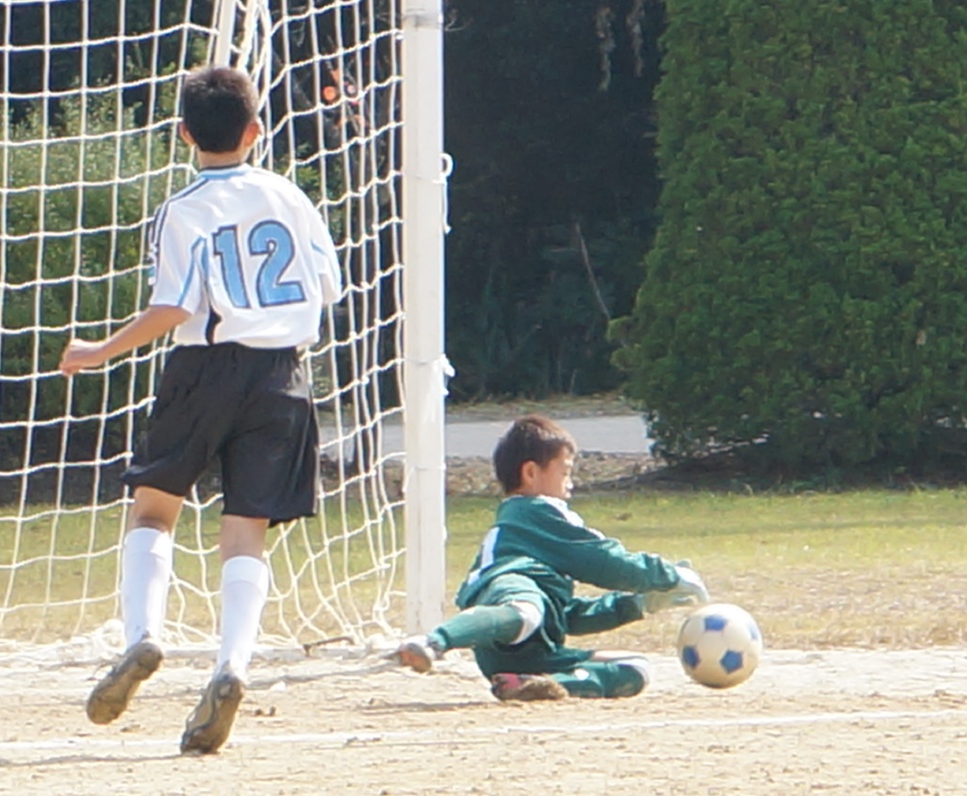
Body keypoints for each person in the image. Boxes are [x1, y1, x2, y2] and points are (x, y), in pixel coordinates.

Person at [60, 65, 342, 755]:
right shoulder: (291, 197)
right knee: (247, 531)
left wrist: (100, 349)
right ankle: (232, 666)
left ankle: (143, 637)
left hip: (205, 367)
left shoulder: (184, 208)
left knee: (154, 510)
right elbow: (327, 285)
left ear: (184, 134)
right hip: (283, 375)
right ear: (256, 131)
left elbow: (174, 306)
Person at [392, 415, 709, 701]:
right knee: (525, 609)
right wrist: (667, 575)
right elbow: (602, 560)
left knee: (634, 667)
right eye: (565, 472)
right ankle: (435, 642)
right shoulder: (534, 512)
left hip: (529, 657)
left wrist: (638, 604)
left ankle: (537, 684)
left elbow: (566, 617)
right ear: (531, 473)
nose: (571, 484)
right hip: (508, 589)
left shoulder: (537, 539)